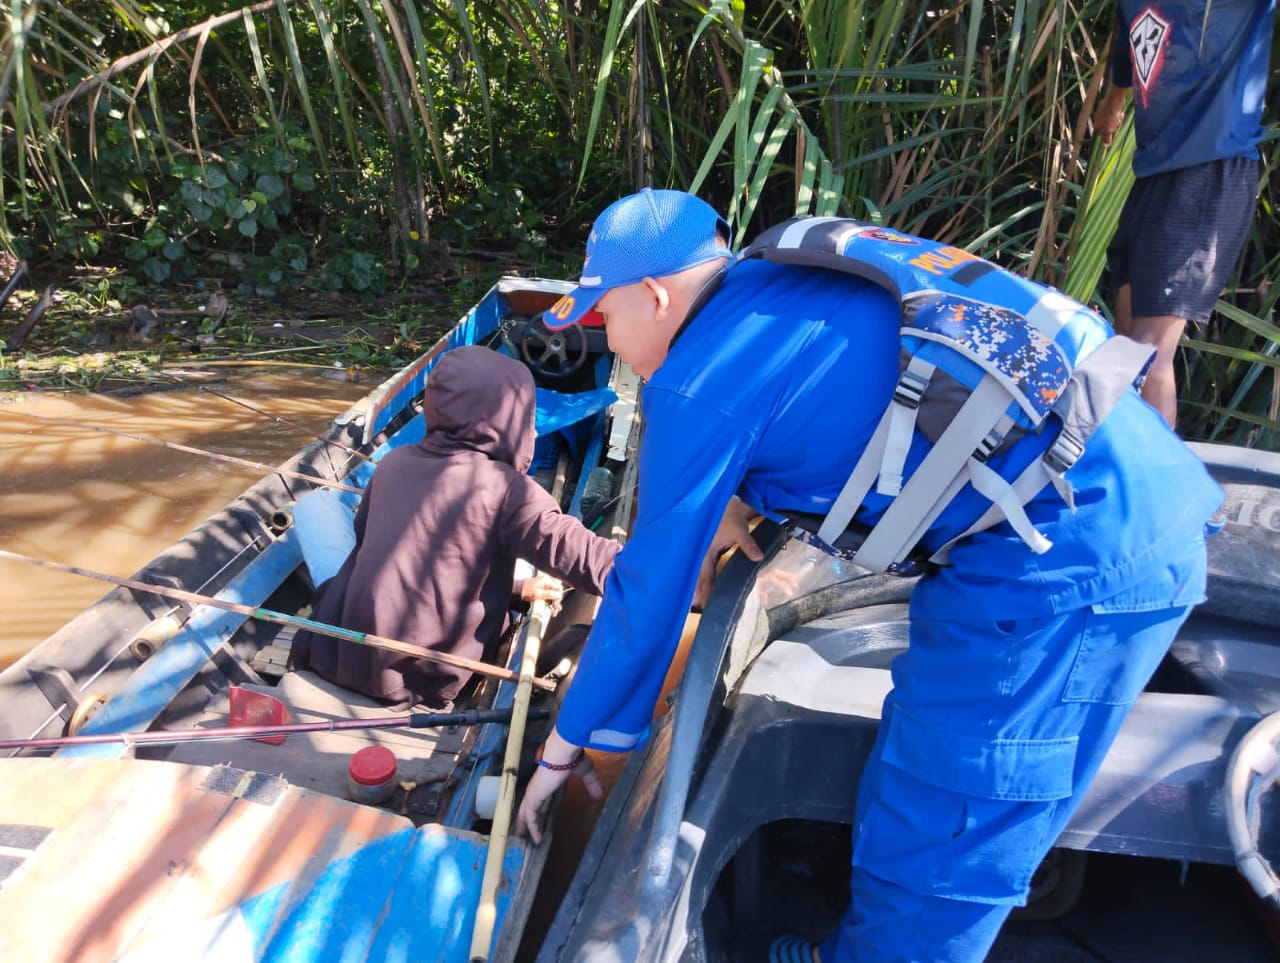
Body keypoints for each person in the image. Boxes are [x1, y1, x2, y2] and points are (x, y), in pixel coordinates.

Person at [514, 188, 1225, 962]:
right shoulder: (766, 281)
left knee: (951, 817)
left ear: (653, 297)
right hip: (1108, 470)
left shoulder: (696, 378)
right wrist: (736, 495)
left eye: (603, 318)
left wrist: (562, 749)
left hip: (1066, 542)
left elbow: (642, 599)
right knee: (914, 758)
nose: (608, 343)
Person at [289, 344, 620, 711]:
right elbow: (593, 562)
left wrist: (518, 589)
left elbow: (373, 560)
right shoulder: (512, 492)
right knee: (515, 553)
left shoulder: (393, 463)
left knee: (317, 504)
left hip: (335, 649)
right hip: (419, 679)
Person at [1090, 0, 1273, 428]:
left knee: (1147, 354)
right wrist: (1113, 103)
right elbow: (1128, 48)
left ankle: (1153, 490)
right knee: (1126, 338)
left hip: (1211, 168)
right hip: (1154, 173)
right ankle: (1116, 472)